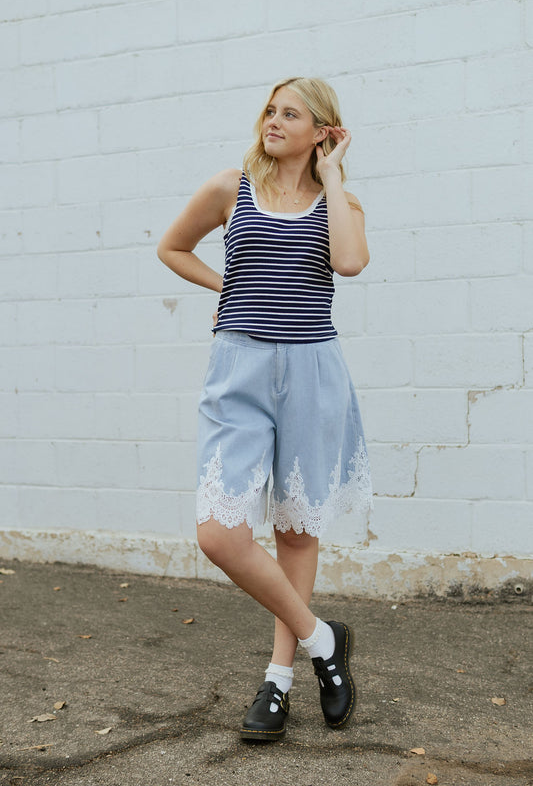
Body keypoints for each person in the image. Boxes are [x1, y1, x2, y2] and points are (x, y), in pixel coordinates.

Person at [157, 76, 373, 740]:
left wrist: (331, 177)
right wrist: (228, 284)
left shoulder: (341, 204)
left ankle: (277, 682)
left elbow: (349, 262)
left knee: (295, 531)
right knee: (220, 535)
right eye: (270, 110)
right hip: (239, 370)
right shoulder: (231, 188)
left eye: (291, 114)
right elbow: (171, 247)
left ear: (321, 132)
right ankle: (322, 643)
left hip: (311, 371)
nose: (273, 121)